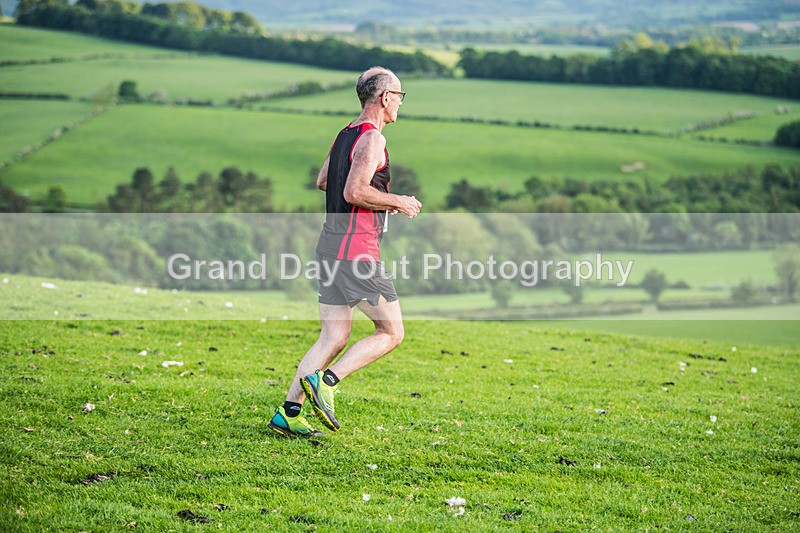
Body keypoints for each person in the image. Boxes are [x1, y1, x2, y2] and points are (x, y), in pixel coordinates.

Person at [269, 66, 422, 437]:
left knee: (334, 336)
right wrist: (396, 201)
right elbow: (354, 192)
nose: (400, 102)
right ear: (385, 97)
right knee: (391, 331)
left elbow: (324, 181)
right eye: (399, 95)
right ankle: (328, 382)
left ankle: (288, 413)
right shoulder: (372, 140)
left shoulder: (345, 135)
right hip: (356, 251)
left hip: (330, 245)